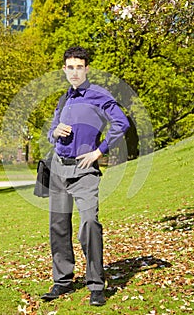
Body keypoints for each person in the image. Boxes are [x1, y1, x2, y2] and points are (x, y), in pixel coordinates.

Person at [41, 46, 130, 306]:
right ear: (64, 70)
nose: (75, 72)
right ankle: (62, 280)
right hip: (58, 168)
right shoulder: (63, 99)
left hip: (84, 171)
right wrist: (54, 132)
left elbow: (121, 123)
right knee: (58, 227)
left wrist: (99, 152)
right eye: (70, 67)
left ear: (87, 68)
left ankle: (96, 285)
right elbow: (51, 132)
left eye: (79, 67)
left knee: (89, 223)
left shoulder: (98, 95)